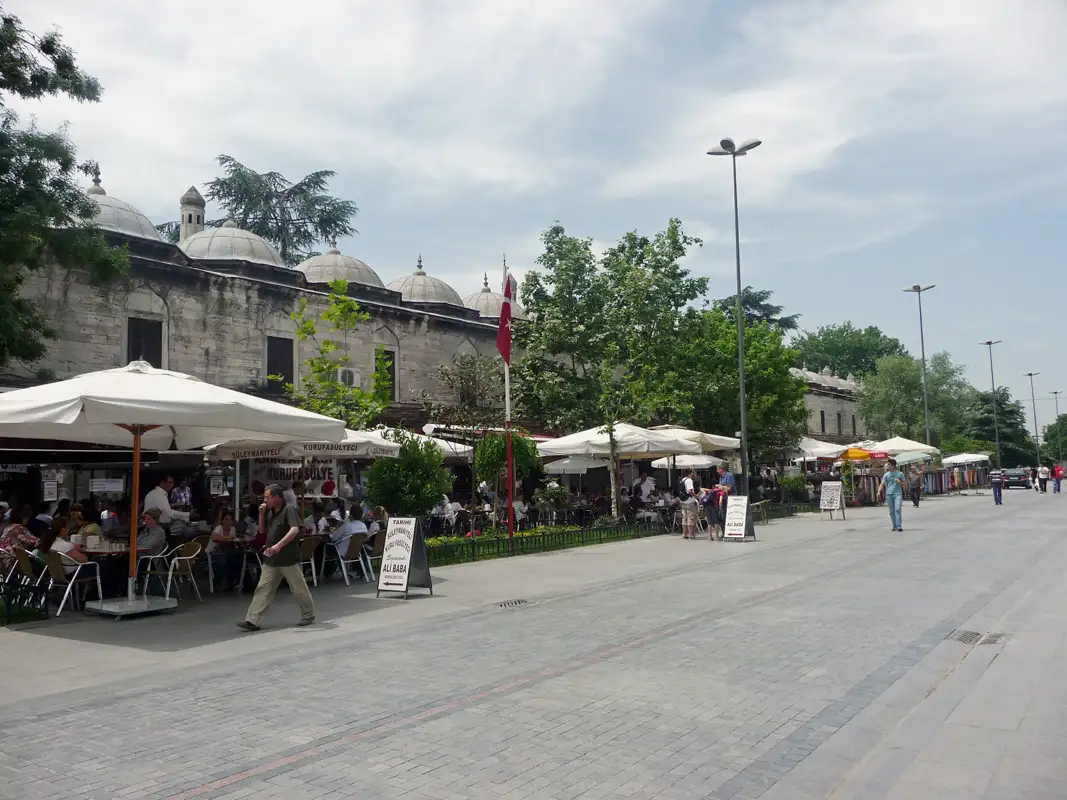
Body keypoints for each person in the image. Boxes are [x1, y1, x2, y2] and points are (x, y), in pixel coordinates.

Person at [238, 483, 314, 631]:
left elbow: (294, 529)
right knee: (263, 588)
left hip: (287, 559)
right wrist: (260, 515)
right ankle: (253, 620)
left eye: (267, 497)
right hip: (272, 559)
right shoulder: (271, 512)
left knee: (298, 588)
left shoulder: (289, 510)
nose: (265, 500)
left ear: (277, 497)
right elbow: (262, 531)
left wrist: (279, 545)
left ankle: (308, 614)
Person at [878, 459, 907, 531]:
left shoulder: (900, 474)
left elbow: (904, 485)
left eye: (889, 464)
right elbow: (882, 484)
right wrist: (878, 492)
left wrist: (899, 482)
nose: (887, 466)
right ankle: (894, 525)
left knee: (897, 509)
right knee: (891, 511)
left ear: (893, 465)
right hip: (889, 494)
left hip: (898, 494)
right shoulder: (886, 474)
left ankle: (899, 526)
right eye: (887, 464)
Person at [679, 470, 699, 540]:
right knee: (691, 518)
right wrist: (695, 495)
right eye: (692, 474)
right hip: (689, 501)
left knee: (684, 518)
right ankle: (691, 534)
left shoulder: (682, 480)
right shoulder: (689, 480)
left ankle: (684, 534)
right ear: (689, 474)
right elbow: (690, 490)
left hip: (683, 501)